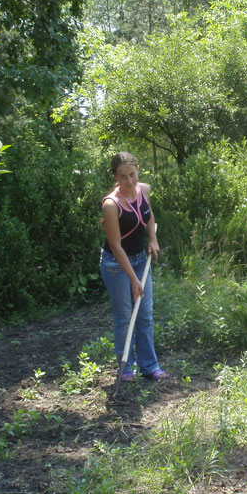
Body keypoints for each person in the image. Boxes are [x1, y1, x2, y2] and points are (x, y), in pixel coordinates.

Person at [100, 151, 167, 382]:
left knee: (145, 315)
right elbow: (115, 245)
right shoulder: (111, 204)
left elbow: (149, 216)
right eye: (123, 176)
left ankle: (150, 367)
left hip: (141, 259)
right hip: (116, 265)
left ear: (138, 169)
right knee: (125, 317)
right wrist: (133, 279)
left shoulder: (144, 190)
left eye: (132, 174)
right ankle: (126, 368)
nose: (129, 181)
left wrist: (153, 239)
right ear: (115, 177)